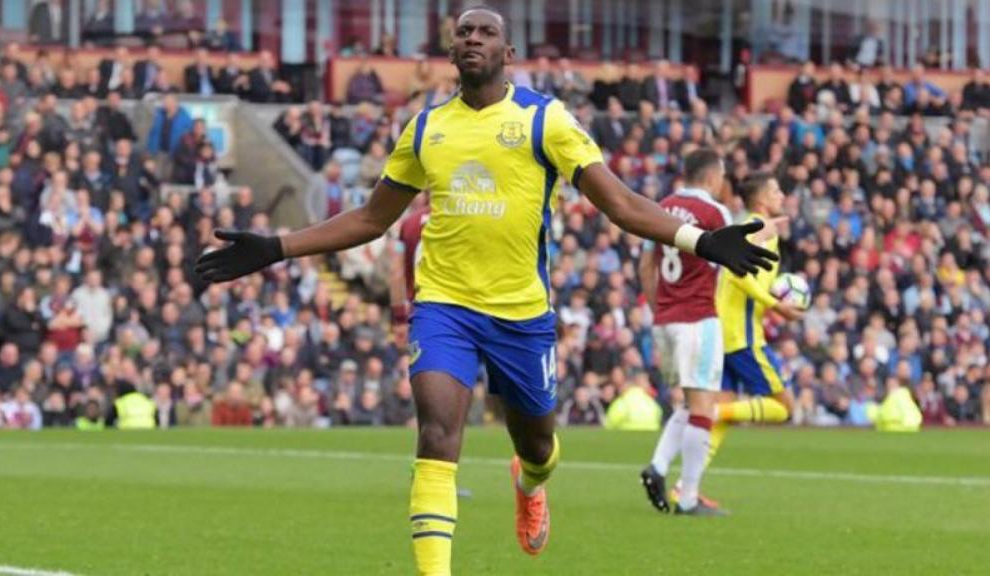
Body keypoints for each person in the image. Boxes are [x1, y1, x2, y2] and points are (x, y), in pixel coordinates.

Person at [195, 7, 774, 573]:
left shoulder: (546, 121)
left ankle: (530, 484)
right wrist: (274, 247)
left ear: (508, 54)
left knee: (538, 446)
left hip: (521, 315)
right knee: (437, 432)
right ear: (453, 51)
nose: (472, 38)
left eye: (486, 32)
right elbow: (372, 219)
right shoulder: (427, 128)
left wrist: (701, 241)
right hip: (444, 307)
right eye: (464, 31)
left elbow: (619, 204)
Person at [639, 150, 743, 517]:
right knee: (703, 407)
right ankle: (689, 498)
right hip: (698, 318)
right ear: (713, 177)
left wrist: (659, 309)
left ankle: (657, 467)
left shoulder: (660, 206)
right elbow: (733, 266)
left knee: (686, 403)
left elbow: (645, 263)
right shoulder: (715, 213)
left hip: (666, 320)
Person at [707, 174, 805, 498]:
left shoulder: (747, 225)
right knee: (784, 407)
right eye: (777, 189)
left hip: (724, 331)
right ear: (762, 199)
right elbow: (738, 275)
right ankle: (714, 412)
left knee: (727, 415)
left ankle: (685, 488)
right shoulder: (760, 227)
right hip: (742, 335)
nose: (782, 194)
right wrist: (775, 304)